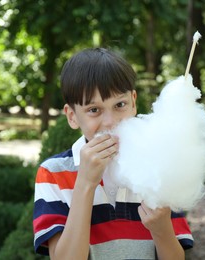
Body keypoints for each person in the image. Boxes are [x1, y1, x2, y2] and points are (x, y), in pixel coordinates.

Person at [33, 48, 193, 259]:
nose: (110, 122)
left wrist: (162, 228)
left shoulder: (158, 166)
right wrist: (85, 183)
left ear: (133, 102)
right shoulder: (53, 173)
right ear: (72, 116)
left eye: (120, 105)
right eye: (94, 110)